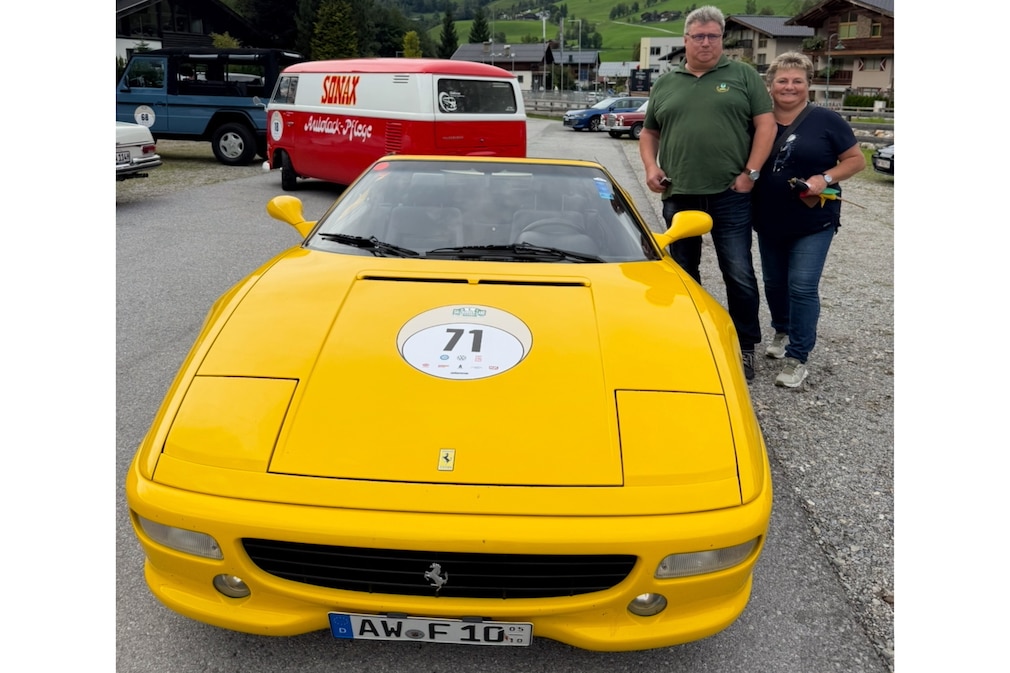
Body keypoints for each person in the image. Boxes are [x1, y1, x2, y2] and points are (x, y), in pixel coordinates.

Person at [640, 5, 775, 381]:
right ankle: (691, 339)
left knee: (738, 272)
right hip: (679, 191)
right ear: (685, 40)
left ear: (721, 39)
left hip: (730, 192)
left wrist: (750, 173)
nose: (705, 42)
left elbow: (765, 125)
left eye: (713, 36)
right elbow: (649, 132)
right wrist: (651, 167)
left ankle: (744, 345)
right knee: (684, 272)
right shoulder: (666, 83)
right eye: (698, 36)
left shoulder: (743, 75)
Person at [751, 52, 866, 387]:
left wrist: (824, 178)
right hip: (769, 218)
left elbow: (856, 160)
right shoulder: (758, 121)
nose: (789, 86)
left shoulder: (827, 121)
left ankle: (798, 357)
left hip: (814, 219)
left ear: (809, 84)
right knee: (774, 283)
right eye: (782, 80)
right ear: (770, 85)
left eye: (797, 81)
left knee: (801, 285)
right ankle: (782, 330)